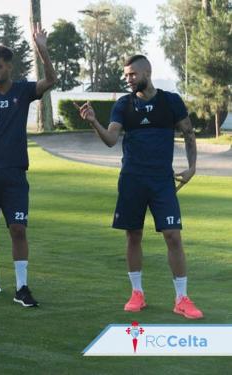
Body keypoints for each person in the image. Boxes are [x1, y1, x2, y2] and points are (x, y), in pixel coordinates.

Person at [75, 54, 203, 319]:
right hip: (132, 179)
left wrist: (191, 168)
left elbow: (189, 134)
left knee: (173, 236)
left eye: (132, 74)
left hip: (162, 182)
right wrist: (93, 122)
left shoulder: (170, 101)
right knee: (133, 235)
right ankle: (137, 293)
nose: (128, 79)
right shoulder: (124, 104)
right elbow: (111, 139)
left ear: (147, 72)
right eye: (126, 75)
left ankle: (182, 298)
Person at [0, 23, 57, 307]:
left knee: (18, 229)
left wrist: (43, 51)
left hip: (15, 174)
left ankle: (22, 287)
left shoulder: (22, 91)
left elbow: (51, 81)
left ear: (9, 68)